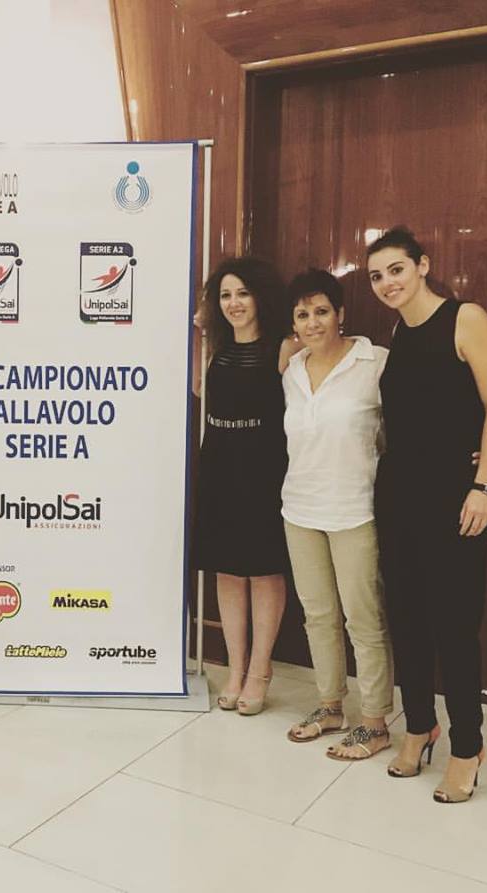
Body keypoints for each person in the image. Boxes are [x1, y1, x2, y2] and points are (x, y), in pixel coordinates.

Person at [369, 227, 487, 802]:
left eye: (396, 269)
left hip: (456, 498)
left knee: (454, 626)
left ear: (422, 265)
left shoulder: (465, 318)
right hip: (398, 496)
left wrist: (484, 486)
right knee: (407, 619)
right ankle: (420, 727)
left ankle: (468, 745)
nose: (386, 283)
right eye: (376, 276)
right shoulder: (399, 331)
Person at [281, 269, 394, 760]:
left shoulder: (375, 363)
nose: (313, 322)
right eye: (302, 314)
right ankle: (330, 707)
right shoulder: (291, 369)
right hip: (299, 507)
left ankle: (375, 722)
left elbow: (407, 427)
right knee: (318, 616)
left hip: (354, 509)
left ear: (340, 314)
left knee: (362, 620)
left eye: (322, 311)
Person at [193, 257, 293, 715]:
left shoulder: (284, 347)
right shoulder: (216, 347)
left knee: (264, 569)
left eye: (243, 293)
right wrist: (197, 330)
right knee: (228, 569)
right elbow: (199, 389)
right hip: (220, 463)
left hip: (265, 467)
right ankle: (235, 671)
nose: (234, 303)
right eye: (225, 295)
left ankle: (260, 671)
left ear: (260, 297)